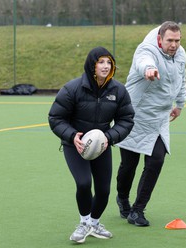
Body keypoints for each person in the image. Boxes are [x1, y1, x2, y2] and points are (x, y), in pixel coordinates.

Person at [48, 47, 135, 243]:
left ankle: (94, 224)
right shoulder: (72, 88)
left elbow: (127, 119)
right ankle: (84, 222)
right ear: (92, 65)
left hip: (101, 145)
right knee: (84, 183)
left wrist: (109, 137)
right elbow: (55, 117)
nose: (106, 66)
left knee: (104, 190)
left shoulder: (118, 90)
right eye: (101, 62)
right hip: (75, 145)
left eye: (109, 63)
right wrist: (72, 137)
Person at [115, 21, 186, 226]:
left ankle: (138, 210)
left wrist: (180, 103)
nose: (174, 45)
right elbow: (143, 61)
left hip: (159, 118)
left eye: (177, 40)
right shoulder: (146, 49)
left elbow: (181, 78)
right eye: (169, 41)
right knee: (129, 165)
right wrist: (149, 69)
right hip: (135, 115)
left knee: (156, 160)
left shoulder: (181, 54)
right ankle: (122, 198)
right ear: (160, 39)